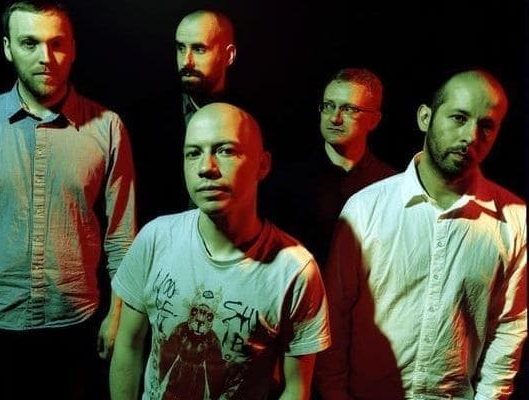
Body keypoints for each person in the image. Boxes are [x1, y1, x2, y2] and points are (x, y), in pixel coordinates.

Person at [0, 1, 136, 399]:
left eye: (56, 43)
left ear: (73, 47)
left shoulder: (108, 127)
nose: (45, 57)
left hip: (77, 326)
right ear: (7, 48)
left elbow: (122, 235)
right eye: (29, 43)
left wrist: (117, 316)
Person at [315, 68, 527, 399]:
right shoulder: (365, 208)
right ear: (425, 117)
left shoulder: (515, 220)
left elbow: (510, 326)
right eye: (459, 118)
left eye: (486, 126)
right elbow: (335, 316)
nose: (471, 135)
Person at [110, 103, 331, 400]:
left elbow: (296, 388)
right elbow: (128, 346)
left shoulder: (294, 271)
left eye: (225, 150)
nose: (206, 167)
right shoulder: (155, 238)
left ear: (262, 165)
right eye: (193, 153)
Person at [262, 67, 396, 267]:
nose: (335, 118)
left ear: (374, 120)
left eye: (349, 109)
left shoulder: (391, 184)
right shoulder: (288, 181)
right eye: (328, 106)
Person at [134, 9, 253, 227]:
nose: (186, 61)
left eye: (199, 49)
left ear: (229, 55)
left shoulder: (252, 120)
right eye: (181, 48)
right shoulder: (148, 120)